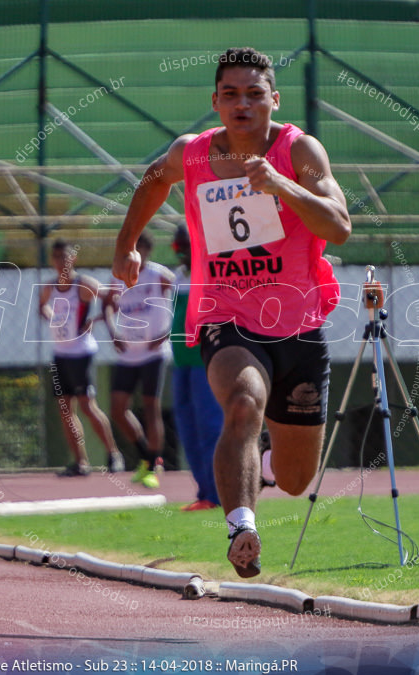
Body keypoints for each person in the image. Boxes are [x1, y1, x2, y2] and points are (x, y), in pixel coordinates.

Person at [112, 47, 351, 576]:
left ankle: (263, 464)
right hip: (226, 312)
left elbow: (338, 226)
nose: (242, 103)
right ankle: (241, 525)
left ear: (273, 100)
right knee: (243, 403)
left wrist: (280, 184)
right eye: (231, 94)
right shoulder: (192, 153)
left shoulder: (300, 150)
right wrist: (127, 242)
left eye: (254, 93)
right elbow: (154, 179)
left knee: (293, 479)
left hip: (298, 323)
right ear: (215, 101)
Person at [38, 239, 124, 476]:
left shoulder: (83, 285)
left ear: (72, 259)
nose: (60, 262)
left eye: (64, 257)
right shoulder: (49, 286)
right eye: (56, 257)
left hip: (81, 353)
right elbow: (42, 306)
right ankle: (80, 461)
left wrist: (92, 321)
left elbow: (113, 299)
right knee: (66, 409)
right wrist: (51, 316)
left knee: (87, 406)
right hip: (60, 354)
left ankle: (113, 453)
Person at [103, 231, 174, 489]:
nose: (136, 253)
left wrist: (165, 334)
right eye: (132, 248)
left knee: (151, 406)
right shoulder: (120, 277)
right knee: (118, 409)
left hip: (154, 353)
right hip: (128, 353)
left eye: (140, 248)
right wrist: (113, 332)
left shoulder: (160, 276)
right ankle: (145, 454)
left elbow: (184, 304)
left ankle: (154, 464)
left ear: (147, 250)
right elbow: (108, 305)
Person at [170, 226, 223, 511]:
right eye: (180, 247)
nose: (181, 253)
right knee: (188, 429)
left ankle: (218, 494)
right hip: (181, 364)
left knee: (211, 427)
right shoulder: (179, 277)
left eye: (186, 246)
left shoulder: (211, 272)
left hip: (204, 363)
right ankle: (204, 492)